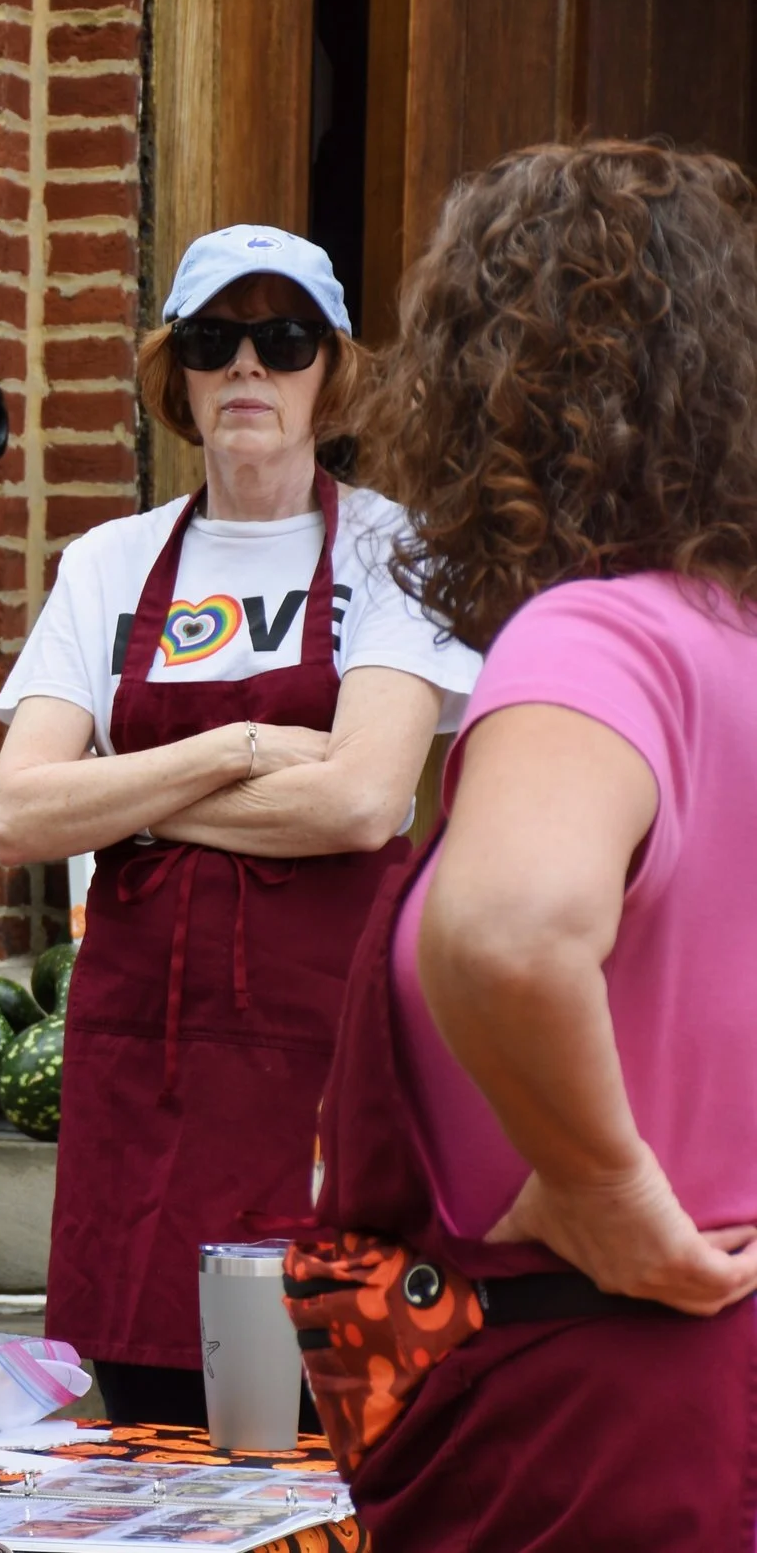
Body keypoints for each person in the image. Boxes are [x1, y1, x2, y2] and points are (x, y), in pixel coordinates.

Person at [311, 140, 757, 1546]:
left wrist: (609, 1186)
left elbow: (506, 930)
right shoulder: (735, 644)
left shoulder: (596, 638)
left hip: (598, 1407)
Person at [0, 225, 479, 1426]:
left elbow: (362, 800)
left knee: (356, 1421)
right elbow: (19, 811)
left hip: (334, 1065)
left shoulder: (395, 550)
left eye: (285, 338)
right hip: (144, 1070)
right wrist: (242, 745)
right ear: (179, 375)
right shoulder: (108, 562)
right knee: (149, 1423)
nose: (248, 365)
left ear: (330, 371)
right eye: (213, 339)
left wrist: (131, 797)